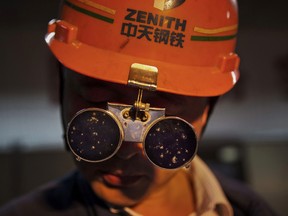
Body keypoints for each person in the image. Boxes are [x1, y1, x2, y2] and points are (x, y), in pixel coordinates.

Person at [0, 0, 278, 215]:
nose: (126, 149)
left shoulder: (253, 210)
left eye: (162, 120)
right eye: (97, 102)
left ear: (207, 109)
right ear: (61, 85)